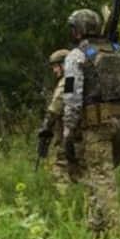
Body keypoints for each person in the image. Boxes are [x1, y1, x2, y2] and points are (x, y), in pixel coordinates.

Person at [62, 8, 120, 234]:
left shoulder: (75, 56)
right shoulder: (117, 50)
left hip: (97, 124)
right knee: (97, 176)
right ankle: (95, 231)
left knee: (102, 179)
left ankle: (119, 237)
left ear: (78, 30)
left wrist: (68, 130)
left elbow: (71, 95)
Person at [38, 48, 75, 192]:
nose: (54, 70)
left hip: (69, 133)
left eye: (55, 66)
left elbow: (55, 107)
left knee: (60, 167)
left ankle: (64, 201)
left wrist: (45, 127)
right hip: (79, 132)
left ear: (65, 65)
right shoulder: (80, 78)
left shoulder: (68, 80)